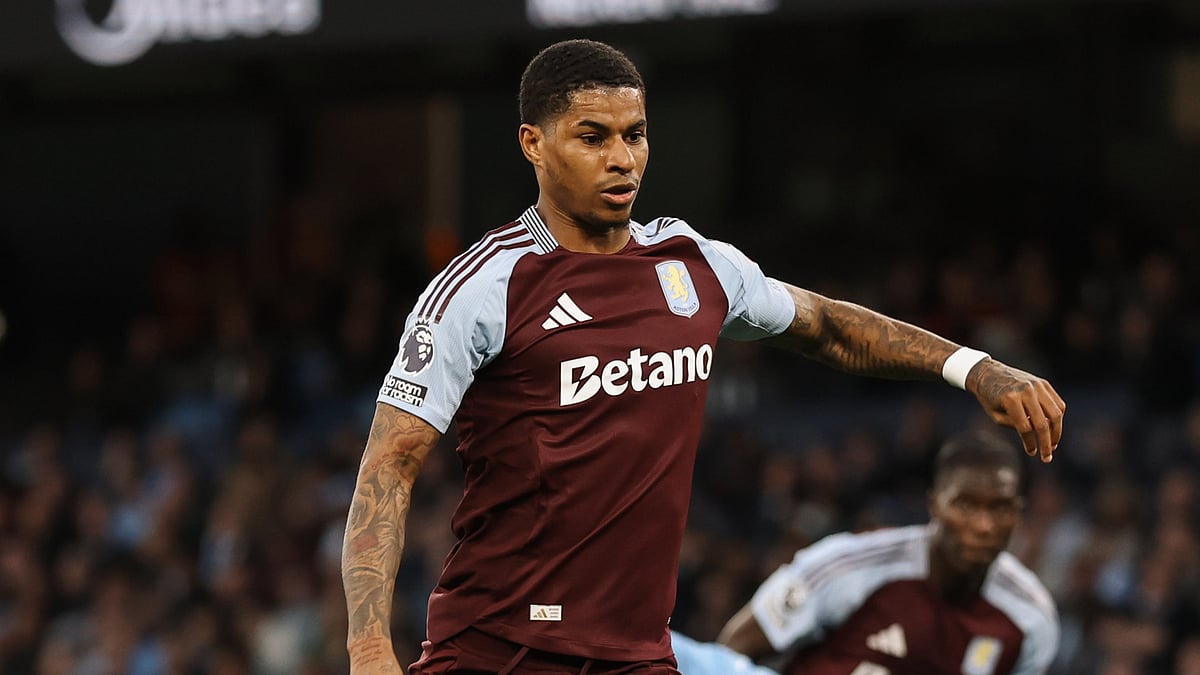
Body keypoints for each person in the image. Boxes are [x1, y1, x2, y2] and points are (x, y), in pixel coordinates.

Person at [341, 38, 1067, 675]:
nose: (622, 159)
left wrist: (973, 366)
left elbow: (825, 325)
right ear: (533, 143)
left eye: (635, 134)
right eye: (592, 137)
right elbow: (389, 464)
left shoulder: (696, 266)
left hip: (640, 652)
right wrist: (370, 646)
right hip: (500, 646)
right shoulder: (484, 284)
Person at [671, 430, 1059, 675]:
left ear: (1019, 515)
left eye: (999, 508)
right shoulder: (848, 565)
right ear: (934, 505)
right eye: (966, 505)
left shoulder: (1031, 620)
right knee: (678, 656)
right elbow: (732, 652)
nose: (982, 525)